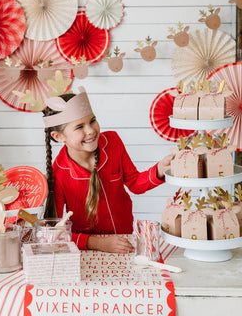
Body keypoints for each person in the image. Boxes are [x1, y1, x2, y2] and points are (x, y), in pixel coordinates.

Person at [42, 87, 173, 253]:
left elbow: (135, 183)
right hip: (86, 250)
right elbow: (54, 231)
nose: (90, 131)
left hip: (124, 241)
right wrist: (97, 243)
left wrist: (160, 169)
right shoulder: (58, 174)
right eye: (79, 127)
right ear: (59, 137)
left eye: (92, 121)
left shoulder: (113, 143)